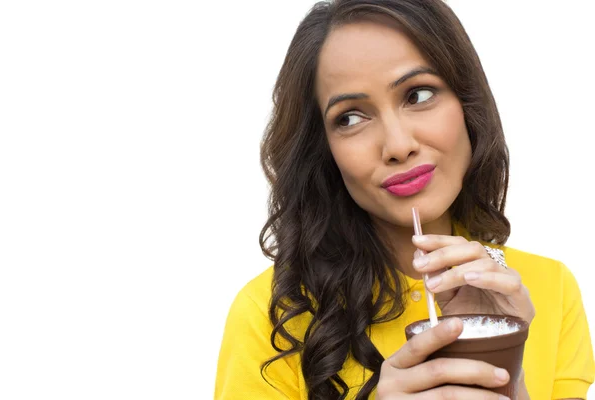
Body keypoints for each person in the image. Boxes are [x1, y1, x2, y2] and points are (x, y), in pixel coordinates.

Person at [214, 0, 595, 398]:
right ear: (323, 149)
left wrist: (510, 379)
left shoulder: (551, 289)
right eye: (350, 117)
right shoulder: (270, 315)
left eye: (418, 94)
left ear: (468, 104)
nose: (398, 146)